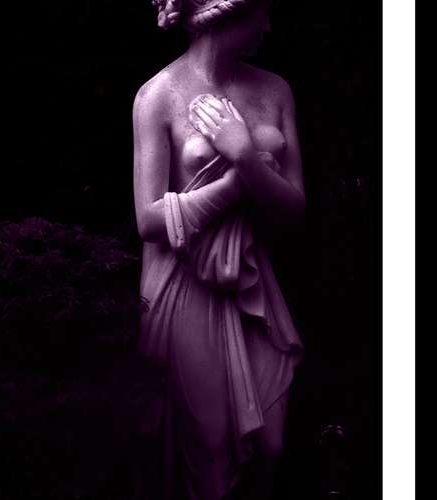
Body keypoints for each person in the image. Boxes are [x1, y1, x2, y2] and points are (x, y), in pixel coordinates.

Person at [133, 1, 305, 498]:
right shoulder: (158, 94)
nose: (269, 25)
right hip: (184, 284)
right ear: (226, 14)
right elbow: (148, 220)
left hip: (252, 279)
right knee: (210, 447)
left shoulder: (275, 89)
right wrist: (234, 185)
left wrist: (245, 156)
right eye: (261, 12)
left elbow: (295, 208)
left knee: (271, 443)